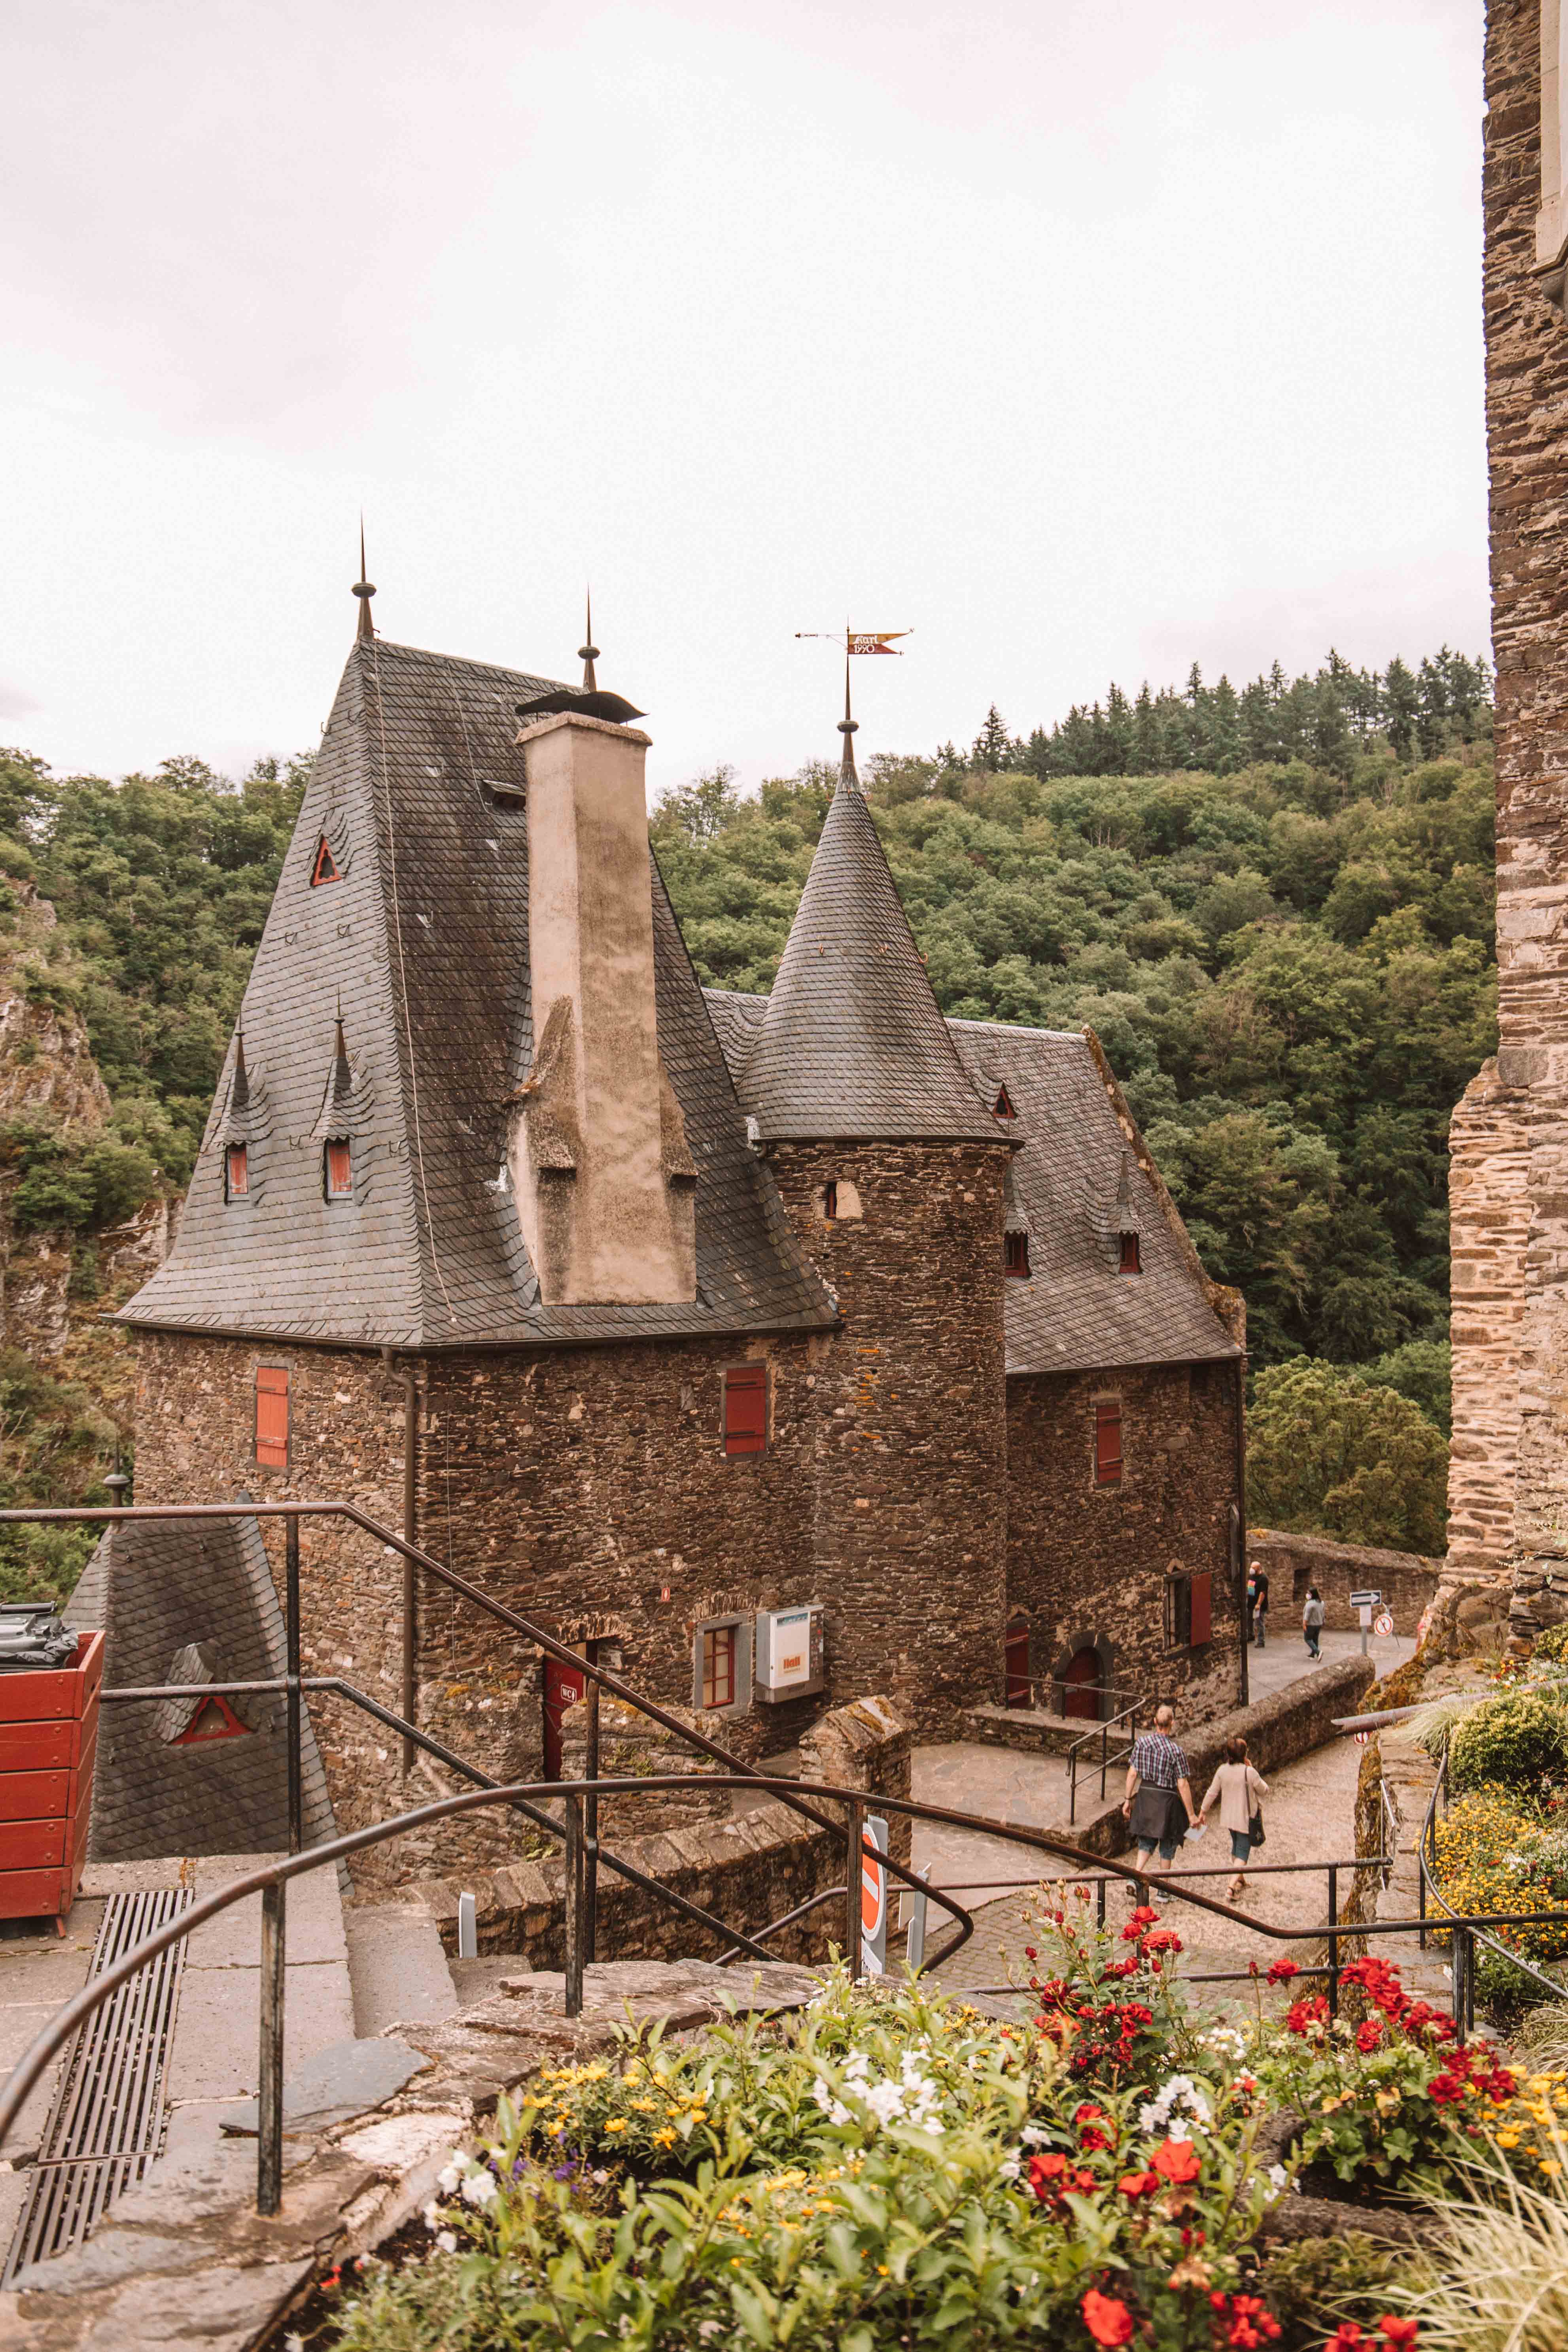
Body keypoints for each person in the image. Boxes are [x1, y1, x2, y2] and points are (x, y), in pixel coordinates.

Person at [1121, 1703, 1197, 1892]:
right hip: (1167, 1801)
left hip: (1146, 1796)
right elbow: (1183, 1784)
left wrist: (1127, 1800)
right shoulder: (1176, 1751)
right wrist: (1191, 1815)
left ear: (1155, 1722)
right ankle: (1164, 1892)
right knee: (1167, 1844)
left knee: (1146, 1842)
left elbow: (1132, 1774)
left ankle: (1135, 1877)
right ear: (1172, 1723)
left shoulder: (1142, 1744)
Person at [1200, 1735, 1269, 1900]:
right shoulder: (1249, 1772)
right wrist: (1253, 1769)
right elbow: (1265, 1790)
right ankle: (1231, 1888)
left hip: (1229, 1818)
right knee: (1243, 1854)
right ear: (1245, 1755)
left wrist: (1203, 1810)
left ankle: (1240, 1879)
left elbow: (1212, 1792)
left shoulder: (1222, 1770)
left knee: (1236, 1847)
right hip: (1246, 1819)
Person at [1248, 1560, 1269, 1648]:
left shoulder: (1264, 1579)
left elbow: (1263, 1593)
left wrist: (1258, 1604)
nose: (1251, 1569)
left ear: (1258, 1568)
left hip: (1259, 1605)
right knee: (1249, 1620)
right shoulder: (1252, 1576)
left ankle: (1261, 1641)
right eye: (1251, 1567)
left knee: (1259, 1622)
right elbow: (1250, 1588)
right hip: (1251, 1603)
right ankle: (1251, 1635)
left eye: (1253, 1568)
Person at [1302, 1585, 1324, 1661]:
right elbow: (1323, 1613)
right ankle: (1313, 1655)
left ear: (1313, 1594)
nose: (1308, 1595)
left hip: (1311, 1625)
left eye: (1309, 1593)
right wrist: (1323, 1621)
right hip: (1319, 1624)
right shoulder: (1322, 1603)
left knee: (1307, 1639)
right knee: (1315, 1639)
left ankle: (1318, 1653)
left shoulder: (1310, 1603)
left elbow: (1307, 1615)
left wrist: (1304, 1624)